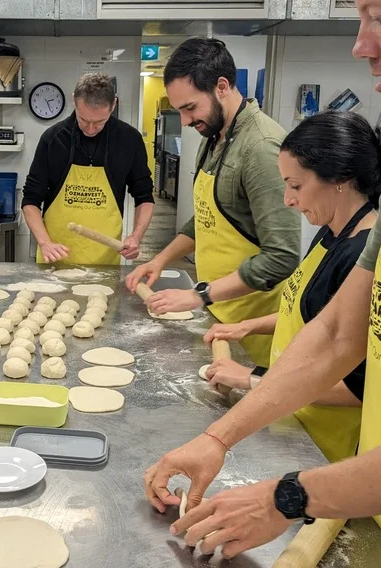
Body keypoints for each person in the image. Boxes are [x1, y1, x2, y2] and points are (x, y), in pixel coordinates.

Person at [144, 1, 381, 566]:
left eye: (379, 16)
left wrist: (289, 497)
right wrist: (216, 439)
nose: (359, 45)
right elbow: (337, 336)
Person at [202, 111, 381, 463]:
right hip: (292, 413)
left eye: (296, 186)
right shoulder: (333, 230)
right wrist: (248, 326)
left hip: (323, 444)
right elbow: (314, 318)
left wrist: (252, 378)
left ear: (339, 178)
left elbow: (360, 388)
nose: (287, 199)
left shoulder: (363, 257)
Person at [125, 38, 300, 370]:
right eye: (180, 111)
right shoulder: (217, 137)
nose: (187, 121)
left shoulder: (261, 148)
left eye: (190, 108)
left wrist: (197, 295)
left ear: (221, 86)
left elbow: (283, 256)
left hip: (251, 324)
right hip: (219, 311)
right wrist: (160, 260)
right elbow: (208, 220)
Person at [22, 73, 155, 265]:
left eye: (100, 122)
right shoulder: (52, 139)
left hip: (105, 260)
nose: (91, 129)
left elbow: (144, 197)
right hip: (55, 257)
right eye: (84, 119)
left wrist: (136, 236)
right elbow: (30, 201)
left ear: (114, 105)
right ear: (74, 100)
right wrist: (44, 243)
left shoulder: (129, 140)